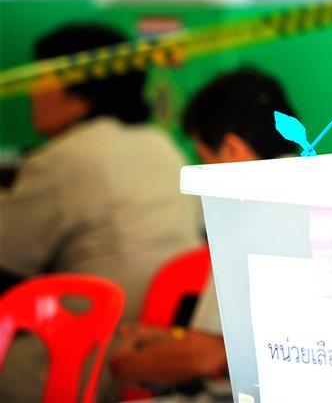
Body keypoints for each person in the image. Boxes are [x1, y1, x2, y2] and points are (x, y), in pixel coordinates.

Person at [0, 24, 202, 401]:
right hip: (157, 360)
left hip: (80, 363)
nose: (30, 91)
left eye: (40, 77)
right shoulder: (162, 145)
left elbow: (8, 256)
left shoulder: (67, 159)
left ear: (80, 94)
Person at [109, 68, 299, 394]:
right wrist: (173, 338)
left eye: (203, 158)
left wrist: (124, 366)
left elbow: (204, 357)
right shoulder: (310, 189)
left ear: (232, 150)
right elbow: (230, 343)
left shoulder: (254, 215)